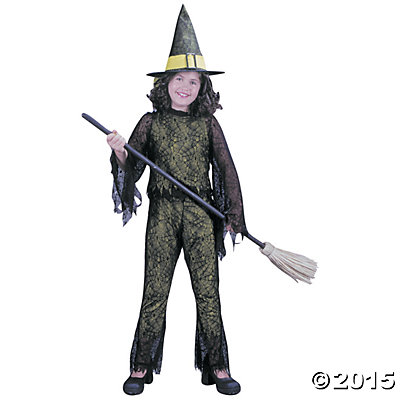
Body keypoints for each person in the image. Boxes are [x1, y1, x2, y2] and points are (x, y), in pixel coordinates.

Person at [106, 6, 246, 396]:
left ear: (203, 87)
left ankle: (218, 365)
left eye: (193, 81)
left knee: (208, 291)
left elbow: (227, 169)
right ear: (165, 82)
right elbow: (132, 168)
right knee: (155, 289)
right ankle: (141, 366)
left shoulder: (208, 125)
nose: (185, 87)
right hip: (163, 214)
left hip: (201, 214)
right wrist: (120, 152)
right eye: (179, 79)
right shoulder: (150, 123)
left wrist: (234, 213)